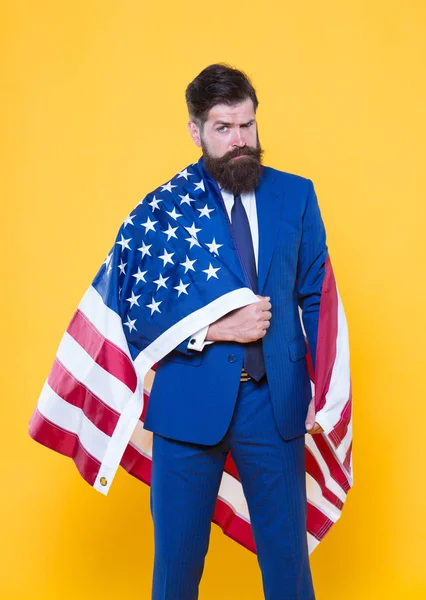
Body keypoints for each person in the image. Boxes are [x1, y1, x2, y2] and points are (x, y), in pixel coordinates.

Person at [145, 63, 326, 600]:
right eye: (224, 128)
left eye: (247, 125)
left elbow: (316, 296)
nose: (240, 140)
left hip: (275, 401)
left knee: (288, 563)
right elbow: (143, 317)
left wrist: (319, 384)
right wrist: (217, 330)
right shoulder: (168, 210)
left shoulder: (296, 196)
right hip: (188, 401)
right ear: (195, 130)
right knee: (175, 568)